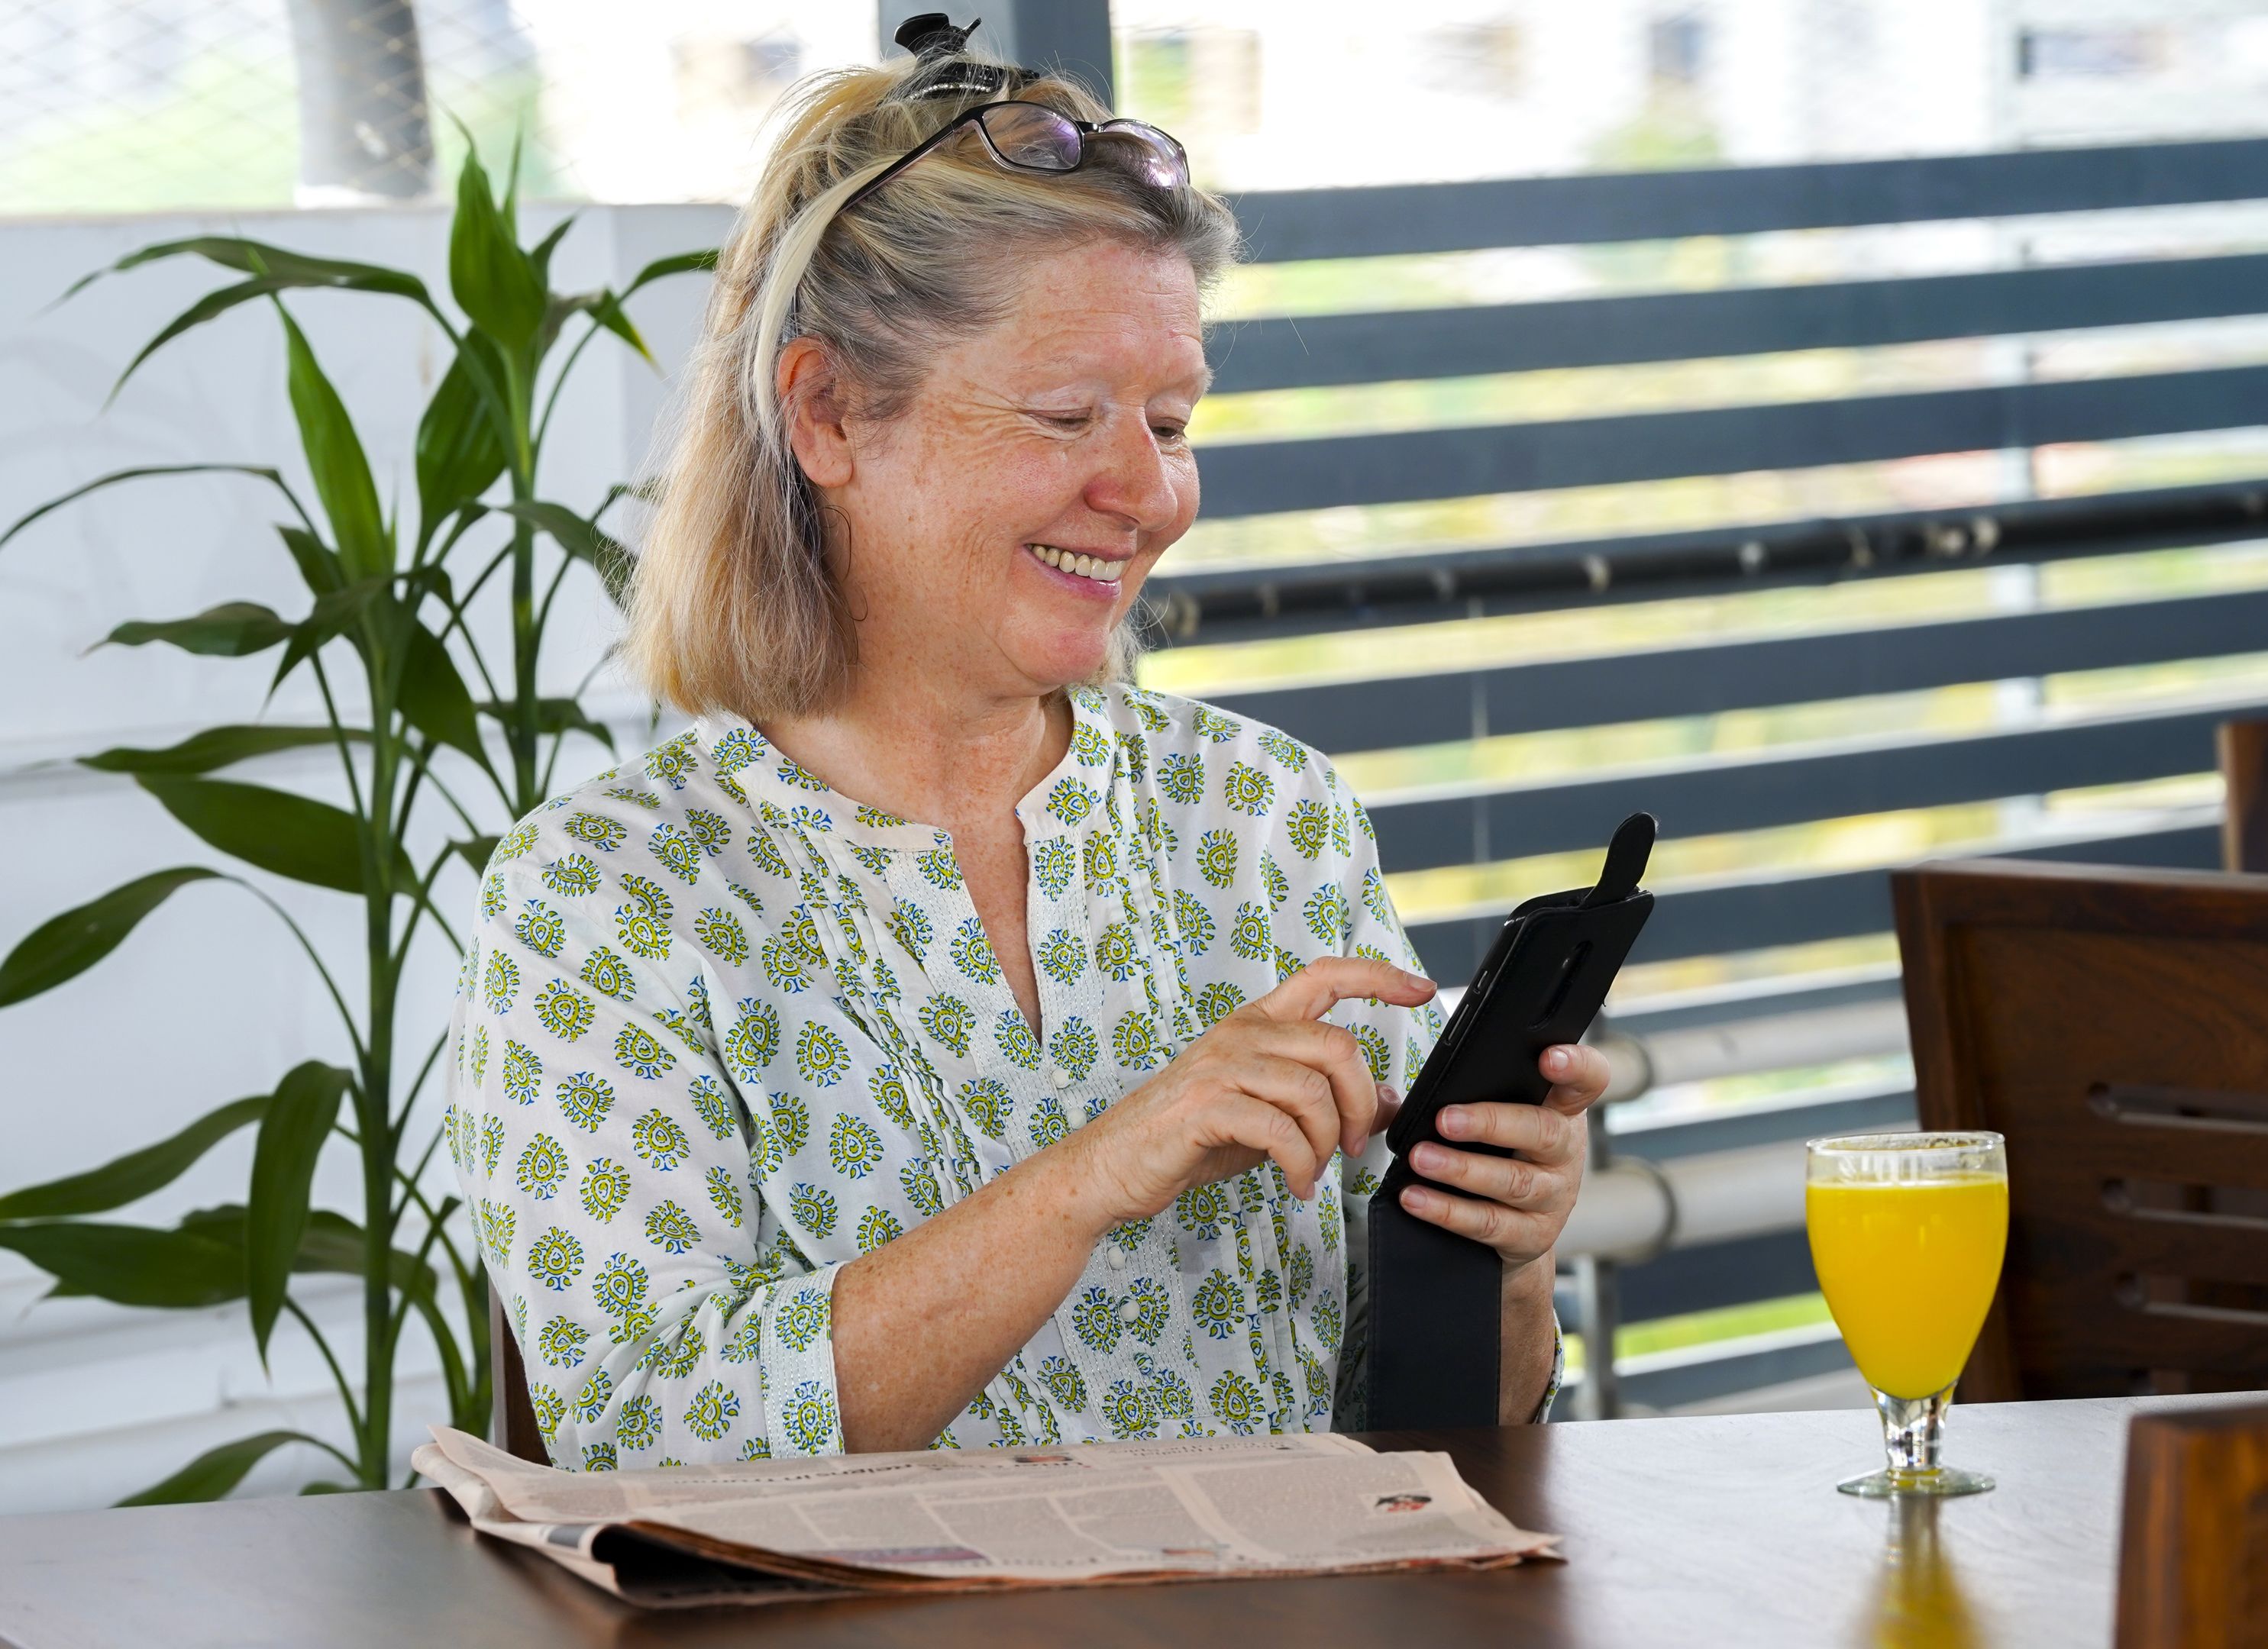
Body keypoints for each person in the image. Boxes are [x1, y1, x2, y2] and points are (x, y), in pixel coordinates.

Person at [441, 19, 1607, 1469]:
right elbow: (642, 1451)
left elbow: (1427, 1442)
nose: (1145, 490)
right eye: (1064, 415)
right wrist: (1094, 1174)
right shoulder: (607, 897)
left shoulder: (1267, 815)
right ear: (828, 415)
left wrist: (1499, 1255)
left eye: (1171, 421)